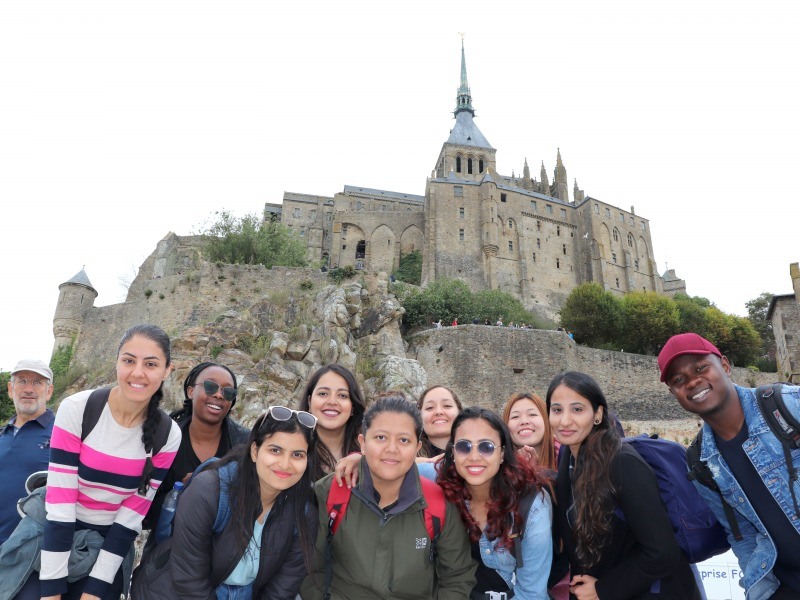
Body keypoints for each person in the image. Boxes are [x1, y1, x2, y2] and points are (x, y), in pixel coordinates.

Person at [23, 324, 182, 600]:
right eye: (129, 360)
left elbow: (132, 514)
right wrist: (51, 590)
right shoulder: (78, 409)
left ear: (167, 370)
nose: (138, 373)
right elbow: (61, 504)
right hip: (55, 529)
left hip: (110, 543)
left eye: (151, 364)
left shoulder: (167, 435)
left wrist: (95, 590)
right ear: (117, 361)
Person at [658, 333, 800, 599]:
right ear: (673, 393)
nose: (692, 381)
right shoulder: (700, 461)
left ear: (724, 365)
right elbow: (740, 534)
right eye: (679, 380)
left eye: (700, 368)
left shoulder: (790, 405)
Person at [301, 392, 476, 599]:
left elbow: (457, 577)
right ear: (363, 443)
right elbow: (310, 570)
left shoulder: (439, 503)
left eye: (404, 440)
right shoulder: (331, 492)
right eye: (380, 437)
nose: (391, 449)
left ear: (417, 448)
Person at [135, 405, 318, 599]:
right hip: (176, 592)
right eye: (275, 450)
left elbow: (281, 590)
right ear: (255, 451)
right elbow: (190, 580)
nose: (285, 464)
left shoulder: (303, 514)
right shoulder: (210, 491)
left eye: (297, 455)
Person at [547, 371, 700, 599]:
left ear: (597, 414)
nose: (565, 420)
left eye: (577, 409)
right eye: (557, 409)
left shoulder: (621, 462)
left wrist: (603, 589)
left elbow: (662, 552)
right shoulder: (568, 457)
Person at [434, 407, 553, 599]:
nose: (474, 457)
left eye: (486, 447)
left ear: (503, 453)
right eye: (464, 446)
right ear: (453, 452)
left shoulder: (531, 504)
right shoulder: (444, 492)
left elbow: (532, 593)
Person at [142, 361, 250, 540]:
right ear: (191, 391)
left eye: (227, 392)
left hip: (223, 550)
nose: (218, 394)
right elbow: (142, 509)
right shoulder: (165, 439)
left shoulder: (244, 444)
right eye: (210, 386)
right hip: (167, 551)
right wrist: (180, 494)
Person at [0, 359, 55, 545]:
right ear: (10, 388)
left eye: (38, 382)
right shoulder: (2, 434)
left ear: (49, 391)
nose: (28, 389)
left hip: (31, 551)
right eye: (22, 381)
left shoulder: (63, 434)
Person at [298, 364, 366, 481]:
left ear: (353, 407)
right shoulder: (292, 451)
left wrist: (363, 462)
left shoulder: (370, 450)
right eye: (323, 393)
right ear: (309, 402)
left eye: (342, 395)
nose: (332, 402)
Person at [502, 392, 558, 471]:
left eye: (532, 414)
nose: (524, 421)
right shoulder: (498, 467)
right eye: (515, 416)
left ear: (546, 420)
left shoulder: (569, 457)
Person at [417, 385, 463, 457]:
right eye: (430, 407)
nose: (438, 412)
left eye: (447, 406)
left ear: (459, 412)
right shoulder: (405, 462)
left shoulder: (481, 454)